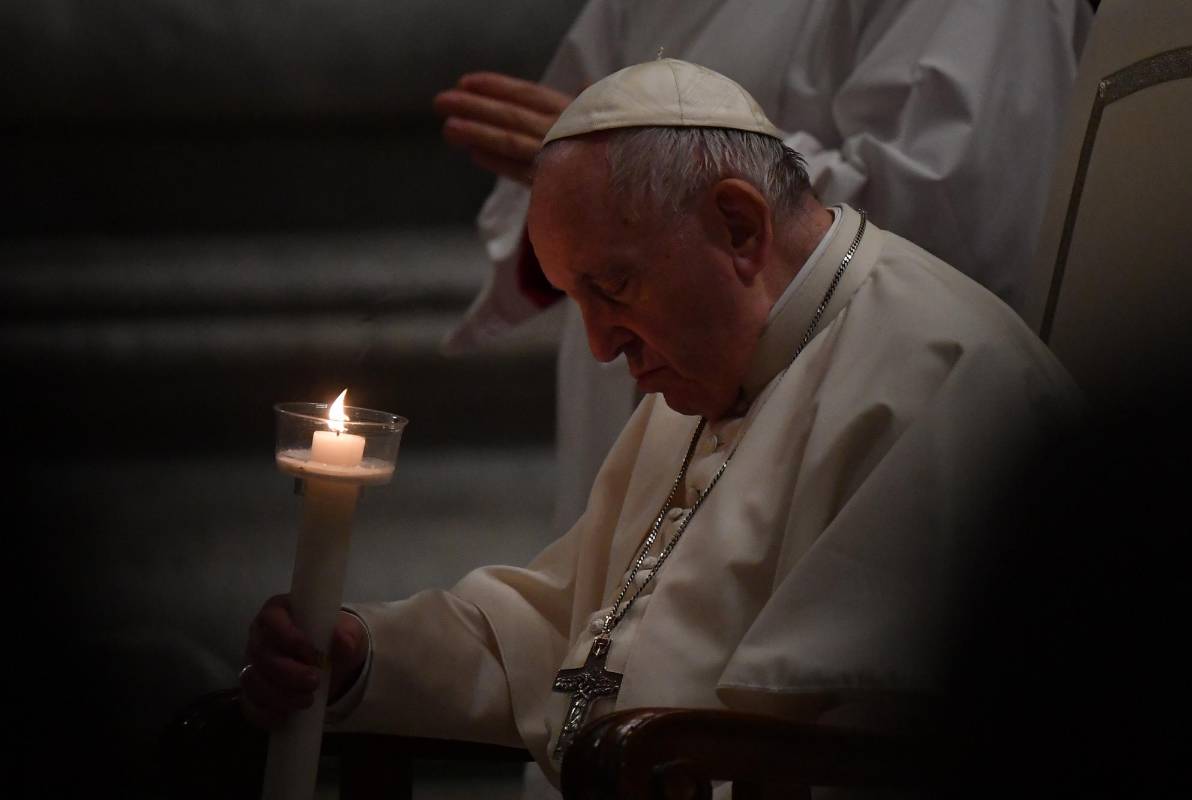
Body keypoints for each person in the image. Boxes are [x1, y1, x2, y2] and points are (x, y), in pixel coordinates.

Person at [242, 60, 1080, 794]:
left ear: (740, 226)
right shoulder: (716, 380)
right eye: (579, 306)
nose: (603, 347)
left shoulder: (940, 373)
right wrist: (362, 649)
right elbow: (567, 643)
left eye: (613, 290)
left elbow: (876, 755)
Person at [434, 0, 1094, 536]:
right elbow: (574, 136)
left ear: (744, 226)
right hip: (666, 406)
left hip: (842, 413)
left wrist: (664, 165)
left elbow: (961, 219)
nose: (602, 345)